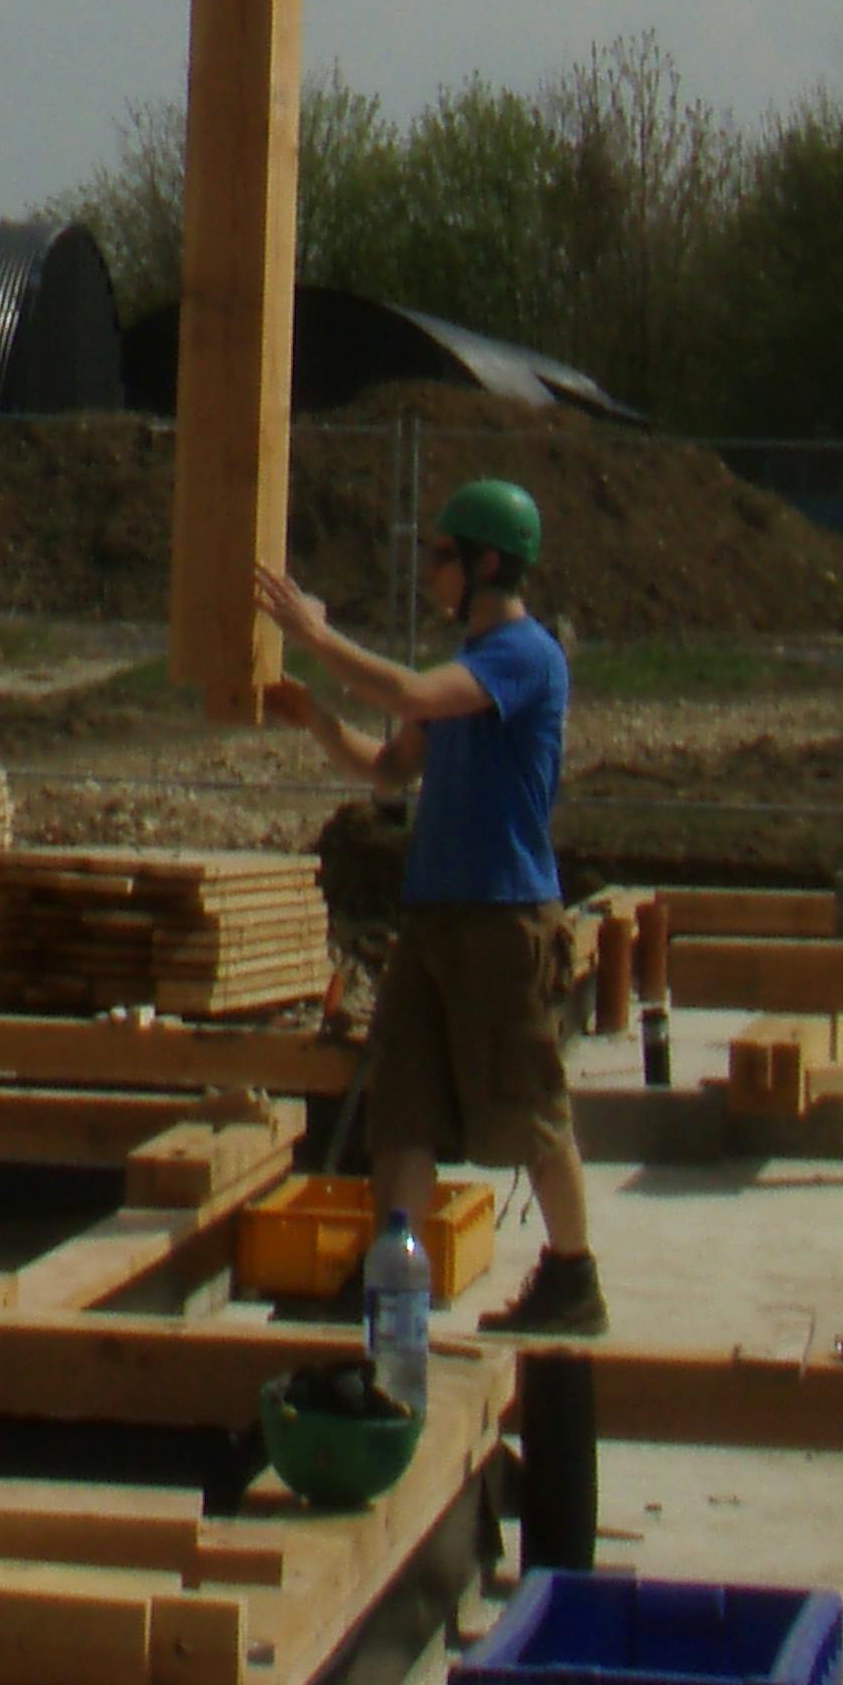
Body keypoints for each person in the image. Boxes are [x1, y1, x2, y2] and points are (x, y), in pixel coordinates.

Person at [255, 476, 604, 1338]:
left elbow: (413, 697)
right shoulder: (466, 674)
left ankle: (573, 1279)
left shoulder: (524, 658)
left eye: (442, 555)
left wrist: (315, 635)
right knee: (402, 1114)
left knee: (530, 1108)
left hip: (503, 915)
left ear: (487, 563)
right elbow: (390, 768)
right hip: (435, 916)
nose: (431, 571)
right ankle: (394, 1299)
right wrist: (313, 716)